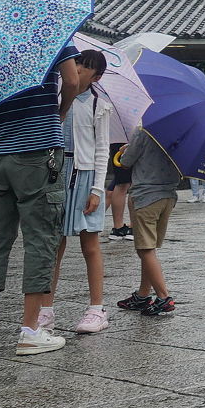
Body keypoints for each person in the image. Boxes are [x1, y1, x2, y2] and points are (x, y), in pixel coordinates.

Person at [0, 45, 100, 358]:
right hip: (37, 151)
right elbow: (73, 82)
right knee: (40, 238)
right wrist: (59, 111)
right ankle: (30, 331)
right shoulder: (51, 30)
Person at [46, 48, 111, 335]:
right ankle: (45, 308)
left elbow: (102, 150)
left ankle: (96, 308)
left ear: (96, 75)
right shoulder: (57, 97)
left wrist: (97, 190)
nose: (79, 69)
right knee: (53, 245)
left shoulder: (100, 105)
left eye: (85, 67)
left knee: (90, 245)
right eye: (77, 64)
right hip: (57, 172)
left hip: (85, 176)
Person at [116, 124, 182, 317]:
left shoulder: (144, 130)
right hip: (168, 196)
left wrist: (125, 149)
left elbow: (126, 161)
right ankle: (143, 294)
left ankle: (163, 297)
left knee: (144, 249)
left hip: (146, 195)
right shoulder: (180, 133)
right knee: (150, 247)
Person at [106, 136, 133, 239]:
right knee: (134, 185)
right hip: (133, 140)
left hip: (116, 141)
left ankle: (118, 227)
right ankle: (134, 228)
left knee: (121, 184)